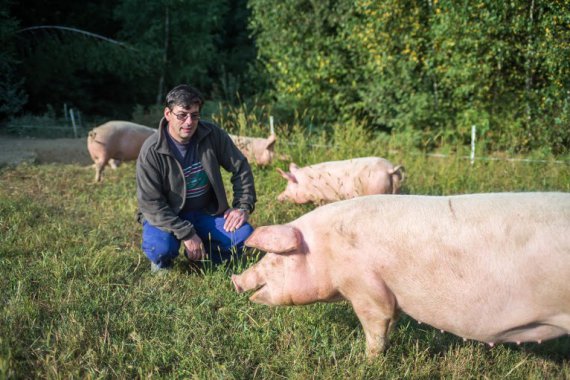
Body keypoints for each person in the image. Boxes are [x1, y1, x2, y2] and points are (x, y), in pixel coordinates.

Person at [136, 84, 256, 272]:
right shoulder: (151, 151)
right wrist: (186, 233)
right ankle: (162, 265)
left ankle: (213, 259)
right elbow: (151, 204)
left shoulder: (212, 134)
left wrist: (243, 206)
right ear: (167, 114)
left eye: (195, 115)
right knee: (160, 248)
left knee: (244, 235)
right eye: (182, 115)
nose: (189, 121)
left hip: (205, 211)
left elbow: (240, 167)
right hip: (167, 214)